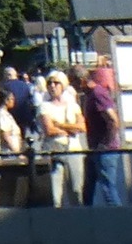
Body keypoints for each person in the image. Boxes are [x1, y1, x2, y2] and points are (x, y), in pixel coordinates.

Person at [35, 69, 86, 208]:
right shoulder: (44, 107)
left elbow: (82, 127)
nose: (52, 86)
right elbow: (49, 130)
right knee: (56, 194)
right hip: (54, 151)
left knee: (76, 190)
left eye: (56, 83)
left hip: (74, 150)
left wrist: (60, 125)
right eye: (49, 83)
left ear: (63, 85)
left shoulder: (73, 106)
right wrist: (70, 128)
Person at [78, 61, 126, 206]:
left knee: (108, 188)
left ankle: (120, 220)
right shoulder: (91, 95)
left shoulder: (98, 94)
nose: (73, 87)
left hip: (104, 150)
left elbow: (113, 120)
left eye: (74, 83)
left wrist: (106, 144)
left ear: (81, 81)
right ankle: (88, 219)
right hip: (95, 148)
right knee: (88, 188)